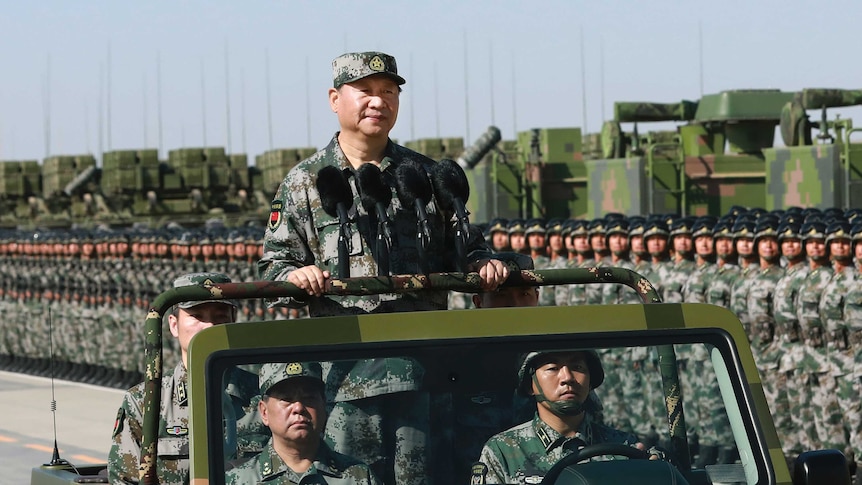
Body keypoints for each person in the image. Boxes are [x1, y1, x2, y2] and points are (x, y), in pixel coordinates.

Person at [257, 51, 507, 485]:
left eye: (389, 92)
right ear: (335, 99)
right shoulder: (305, 181)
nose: (379, 102)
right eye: (366, 92)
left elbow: (468, 249)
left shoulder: (425, 176)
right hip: (346, 379)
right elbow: (274, 266)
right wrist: (294, 276)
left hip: (424, 371)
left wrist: (483, 264)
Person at [108, 272, 261, 484]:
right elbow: (125, 479)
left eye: (220, 317)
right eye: (197, 316)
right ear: (173, 325)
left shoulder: (263, 396)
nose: (209, 326)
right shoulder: (146, 401)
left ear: (233, 322)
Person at [475, 349, 652, 484]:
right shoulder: (504, 450)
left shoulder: (622, 447)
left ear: (590, 382)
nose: (567, 377)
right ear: (530, 385)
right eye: (553, 368)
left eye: (577, 367)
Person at [226, 362, 380, 485]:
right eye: (286, 399)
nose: (298, 407)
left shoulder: (358, 476)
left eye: (309, 398)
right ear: (264, 412)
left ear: (324, 406)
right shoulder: (238, 480)